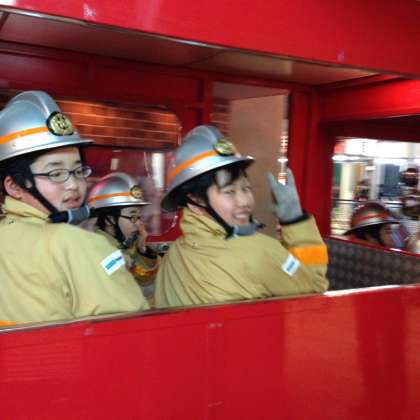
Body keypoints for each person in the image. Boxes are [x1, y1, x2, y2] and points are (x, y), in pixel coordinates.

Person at [0, 91, 149, 326]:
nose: (73, 185)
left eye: (78, 171)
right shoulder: (77, 243)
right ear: (14, 186)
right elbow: (133, 328)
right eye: (56, 173)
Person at [155, 125, 329, 308]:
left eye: (246, 188)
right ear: (195, 202)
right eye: (229, 192)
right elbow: (315, 286)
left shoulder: (174, 255)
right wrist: (295, 221)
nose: (245, 201)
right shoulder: (259, 252)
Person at [87, 172, 160, 305]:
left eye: (139, 217)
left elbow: (147, 283)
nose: (139, 224)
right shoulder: (99, 251)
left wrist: (143, 252)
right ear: (109, 219)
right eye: (132, 217)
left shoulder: (125, 246)